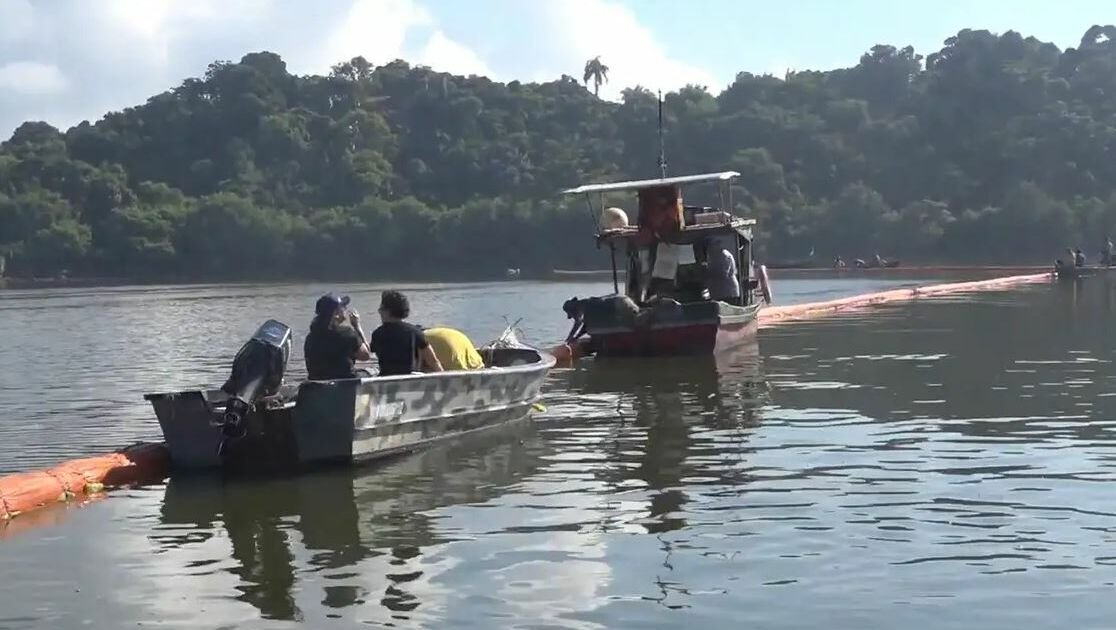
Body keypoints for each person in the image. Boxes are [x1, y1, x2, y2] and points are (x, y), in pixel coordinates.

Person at [369, 290, 443, 376]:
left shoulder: (377, 334)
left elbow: (374, 353)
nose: (379, 311)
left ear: (387, 311)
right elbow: (433, 361)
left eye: (381, 308)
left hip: (386, 379)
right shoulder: (415, 332)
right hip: (410, 379)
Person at [304, 293, 371, 380]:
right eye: (343, 307)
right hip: (345, 383)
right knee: (372, 371)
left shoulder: (310, 337)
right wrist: (357, 326)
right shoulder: (347, 333)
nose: (346, 309)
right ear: (336, 314)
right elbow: (366, 356)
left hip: (317, 383)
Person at [706, 237, 741, 304]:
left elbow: (724, 274)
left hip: (728, 292)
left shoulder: (724, 255)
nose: (710, 248)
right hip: (719, 292)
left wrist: (708, 273)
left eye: (712, 245)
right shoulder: (713, 255)